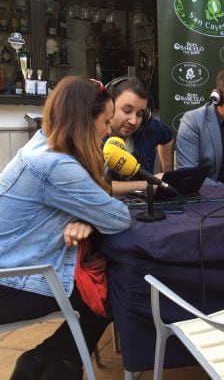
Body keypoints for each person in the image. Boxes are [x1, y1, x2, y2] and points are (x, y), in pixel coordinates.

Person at [0, 76, 131, 380]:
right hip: (11, 282)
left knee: (100, 289)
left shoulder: (41, 143)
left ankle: (58, 367)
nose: (108, 130)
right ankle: (40, 361)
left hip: (12, 267)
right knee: (112, 289)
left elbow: (90, 204)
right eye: (106, 120)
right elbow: (119, 218)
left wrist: (85, 216)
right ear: (85, 122)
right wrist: (91, 214)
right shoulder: (59, 166)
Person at [106, 76, 174, 196]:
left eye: (139, 114)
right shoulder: (91, 136)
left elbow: (167, 136)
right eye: (127, 111)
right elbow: (97, 187)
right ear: (108, 106)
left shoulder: (148, 126)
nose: (133, 121)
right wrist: (153, 182)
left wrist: (166, 171)